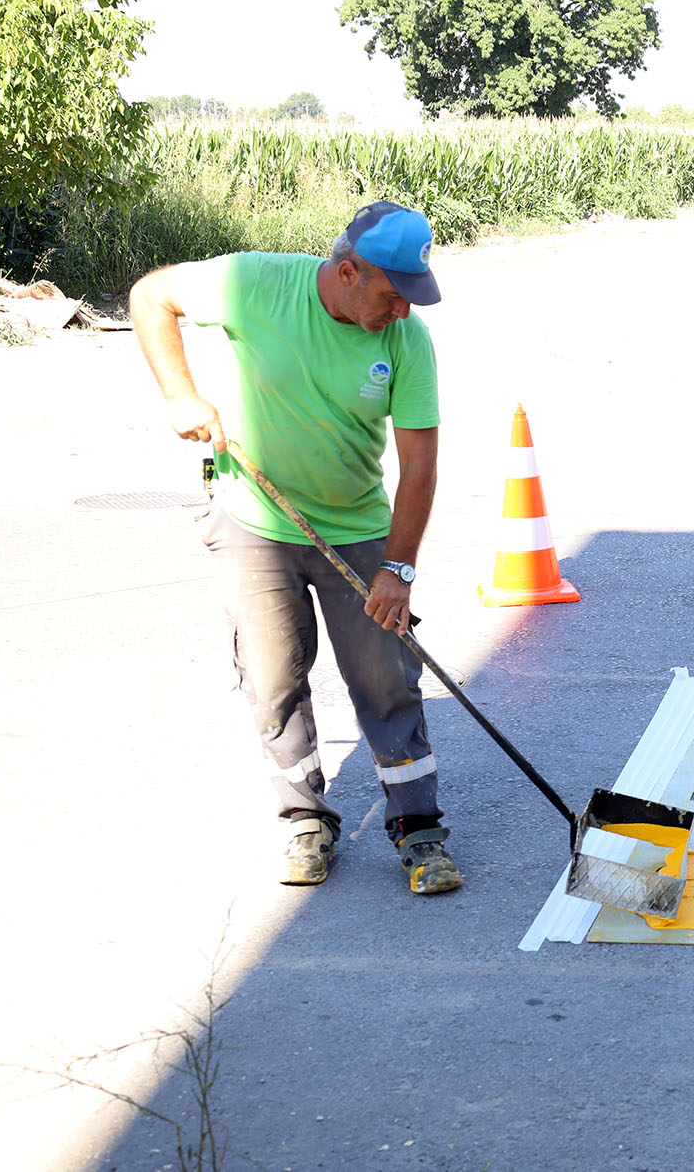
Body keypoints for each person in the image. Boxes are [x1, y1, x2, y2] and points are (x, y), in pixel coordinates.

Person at [129, 201, 461, 896]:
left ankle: (418, 828)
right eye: (392, 293)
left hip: (357, 527)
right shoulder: (254, 284)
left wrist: (397, 568)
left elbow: (420, 466)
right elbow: (151, 295)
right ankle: (307, 822)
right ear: (347, 272)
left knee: (385, 678)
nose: (402, 309)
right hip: (255, 520)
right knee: (273, 676)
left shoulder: (407, 341)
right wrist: (179, 395)